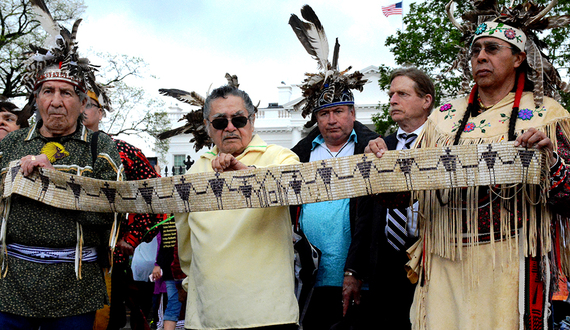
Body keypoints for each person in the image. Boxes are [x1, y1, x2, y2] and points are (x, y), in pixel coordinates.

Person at [366, 3, 570, 329]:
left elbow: (568, 196)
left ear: (519, 57)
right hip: (445, 262)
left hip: (511, 261)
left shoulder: (547, 114)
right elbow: (405, 196)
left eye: (492, 48)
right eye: (475, 50)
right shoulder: (444, 118)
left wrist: (551, 162)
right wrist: (383, 167)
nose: (480, 57)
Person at [0, 5, 122, 328]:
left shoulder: (101, 148)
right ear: (36, 99)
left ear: (83, 103)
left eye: (66, 92)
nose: (56, 101)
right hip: (10, 288)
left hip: (75, 290)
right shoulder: (10, 146)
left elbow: (114, 210)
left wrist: (52, 181)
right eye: (48, 91)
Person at [174, 84, 299, 329]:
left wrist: (245, 174)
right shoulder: (194, 171)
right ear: (208, 126)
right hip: (207, 316)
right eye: (220, 122)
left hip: (269, 315)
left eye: (239, 119)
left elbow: (294, 187)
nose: (230, 128)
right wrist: (191, 284)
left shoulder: (280, 157)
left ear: (252, 120)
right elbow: (185, 243)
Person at [288, 5, 377, 329]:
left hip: (354, 276)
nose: (331, 119)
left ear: (352, 113)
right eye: (324, 113)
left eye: (339, 111)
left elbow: (370, 219)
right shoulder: (299, 155)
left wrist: (355, 271)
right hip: (307, 274)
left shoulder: (370, 150)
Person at [354, 67, 434, 329]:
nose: (392, 100)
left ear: (426, 101)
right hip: (385, 263)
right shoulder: (379, 147)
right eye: (391, 94)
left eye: (402, 93)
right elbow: (364, 214)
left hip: (431, 256)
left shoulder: (445, 144)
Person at [83, 90, 163, 330]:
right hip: (55, 255)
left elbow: (154, 194)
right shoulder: (49, 150)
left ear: (100, 112)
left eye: (89, 104)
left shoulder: (124, 152)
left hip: (106, 256)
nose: (81, 109)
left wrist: (131, 237)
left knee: (106, 320)